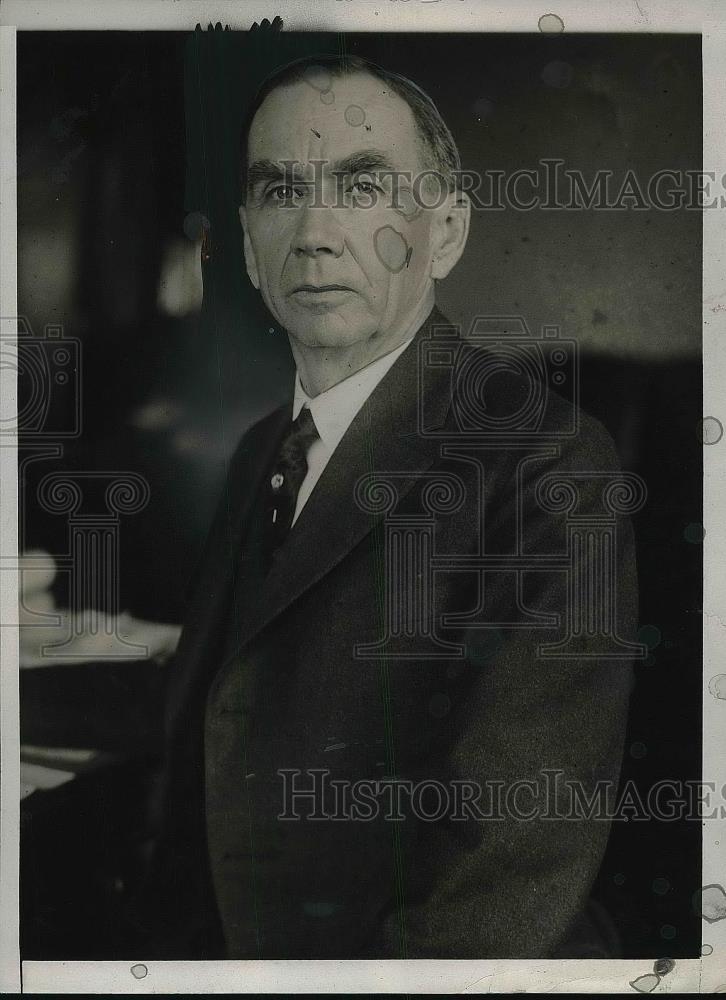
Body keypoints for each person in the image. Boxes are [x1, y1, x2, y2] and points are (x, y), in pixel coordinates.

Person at [140, 54, 639, 960]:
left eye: (363, 187)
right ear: (249, 245)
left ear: (443, 234)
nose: (317, 232)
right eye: (281, 190)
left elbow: (510, 856)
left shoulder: (545, 459)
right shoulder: (263, 451)